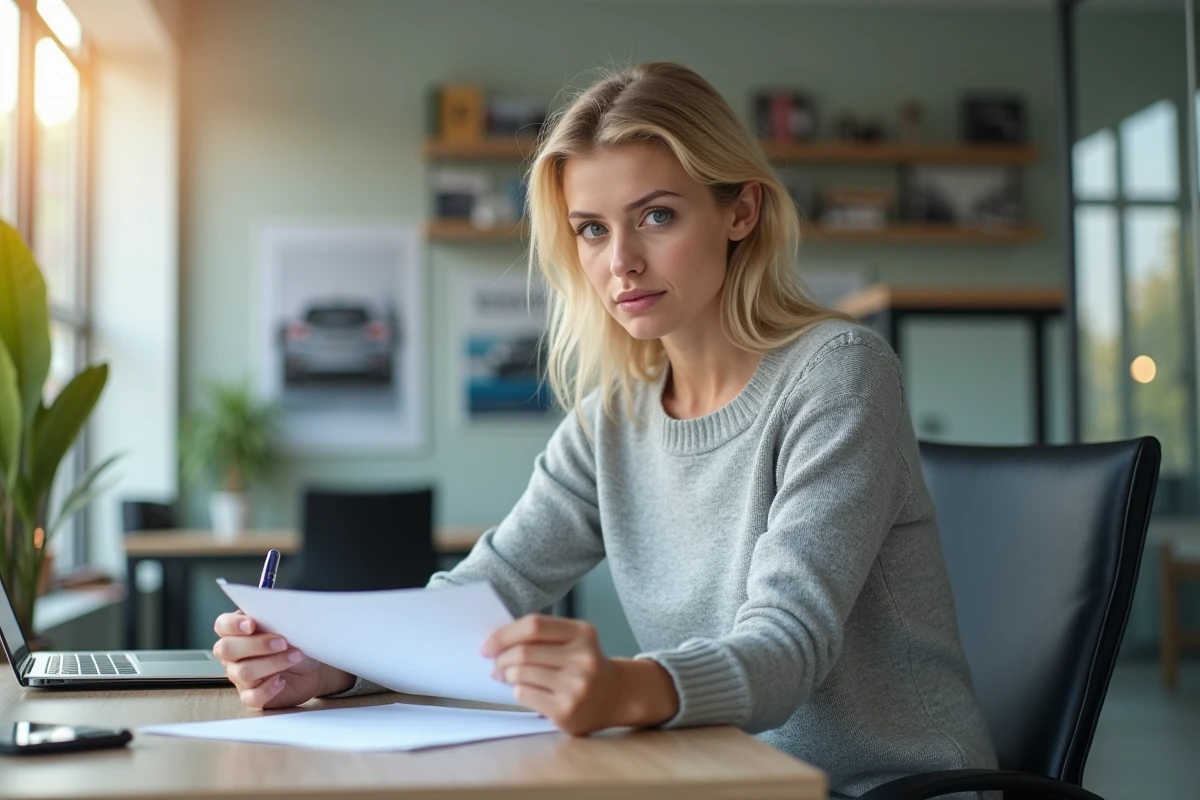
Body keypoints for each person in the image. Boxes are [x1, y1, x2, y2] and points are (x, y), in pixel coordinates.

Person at [213, 62, 997, 798]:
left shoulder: (838, 372)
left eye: (656, 215)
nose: (621, 260)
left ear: (740, 210)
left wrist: (626, 685)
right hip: (721, 776)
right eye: (591, 229)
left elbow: (790, 648)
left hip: (884, 785)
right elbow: (480, 593)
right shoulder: (613, 415)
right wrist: (330, 667)